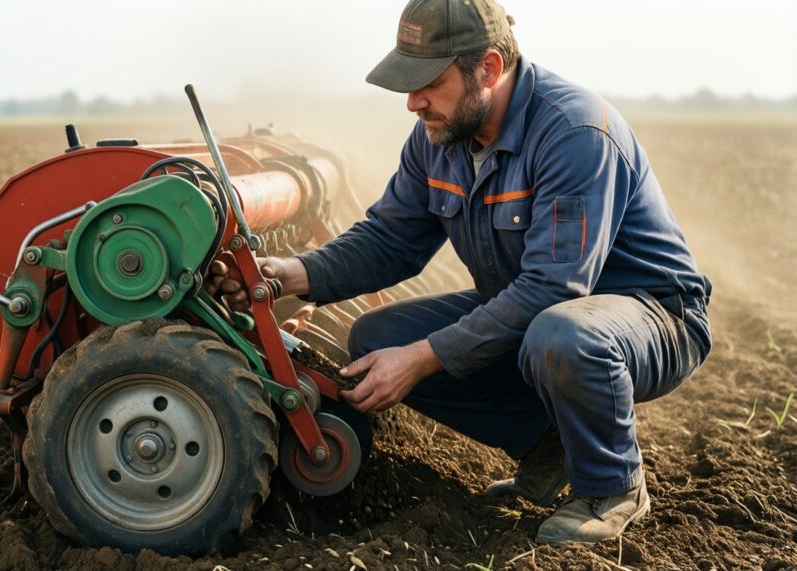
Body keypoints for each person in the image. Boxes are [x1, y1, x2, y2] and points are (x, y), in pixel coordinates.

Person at [208, 0, 712, 544]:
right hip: (544, 314)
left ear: (489, 70)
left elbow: (555, 287)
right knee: (379, 336)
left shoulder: (573, 132)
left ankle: (613, 486)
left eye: (428, 81)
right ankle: (551, 447)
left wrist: (423, 360)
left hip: (652, 316)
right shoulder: (440, 138)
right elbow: (390, 238)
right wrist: (286, 274)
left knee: (561, 334)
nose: (412, 102)